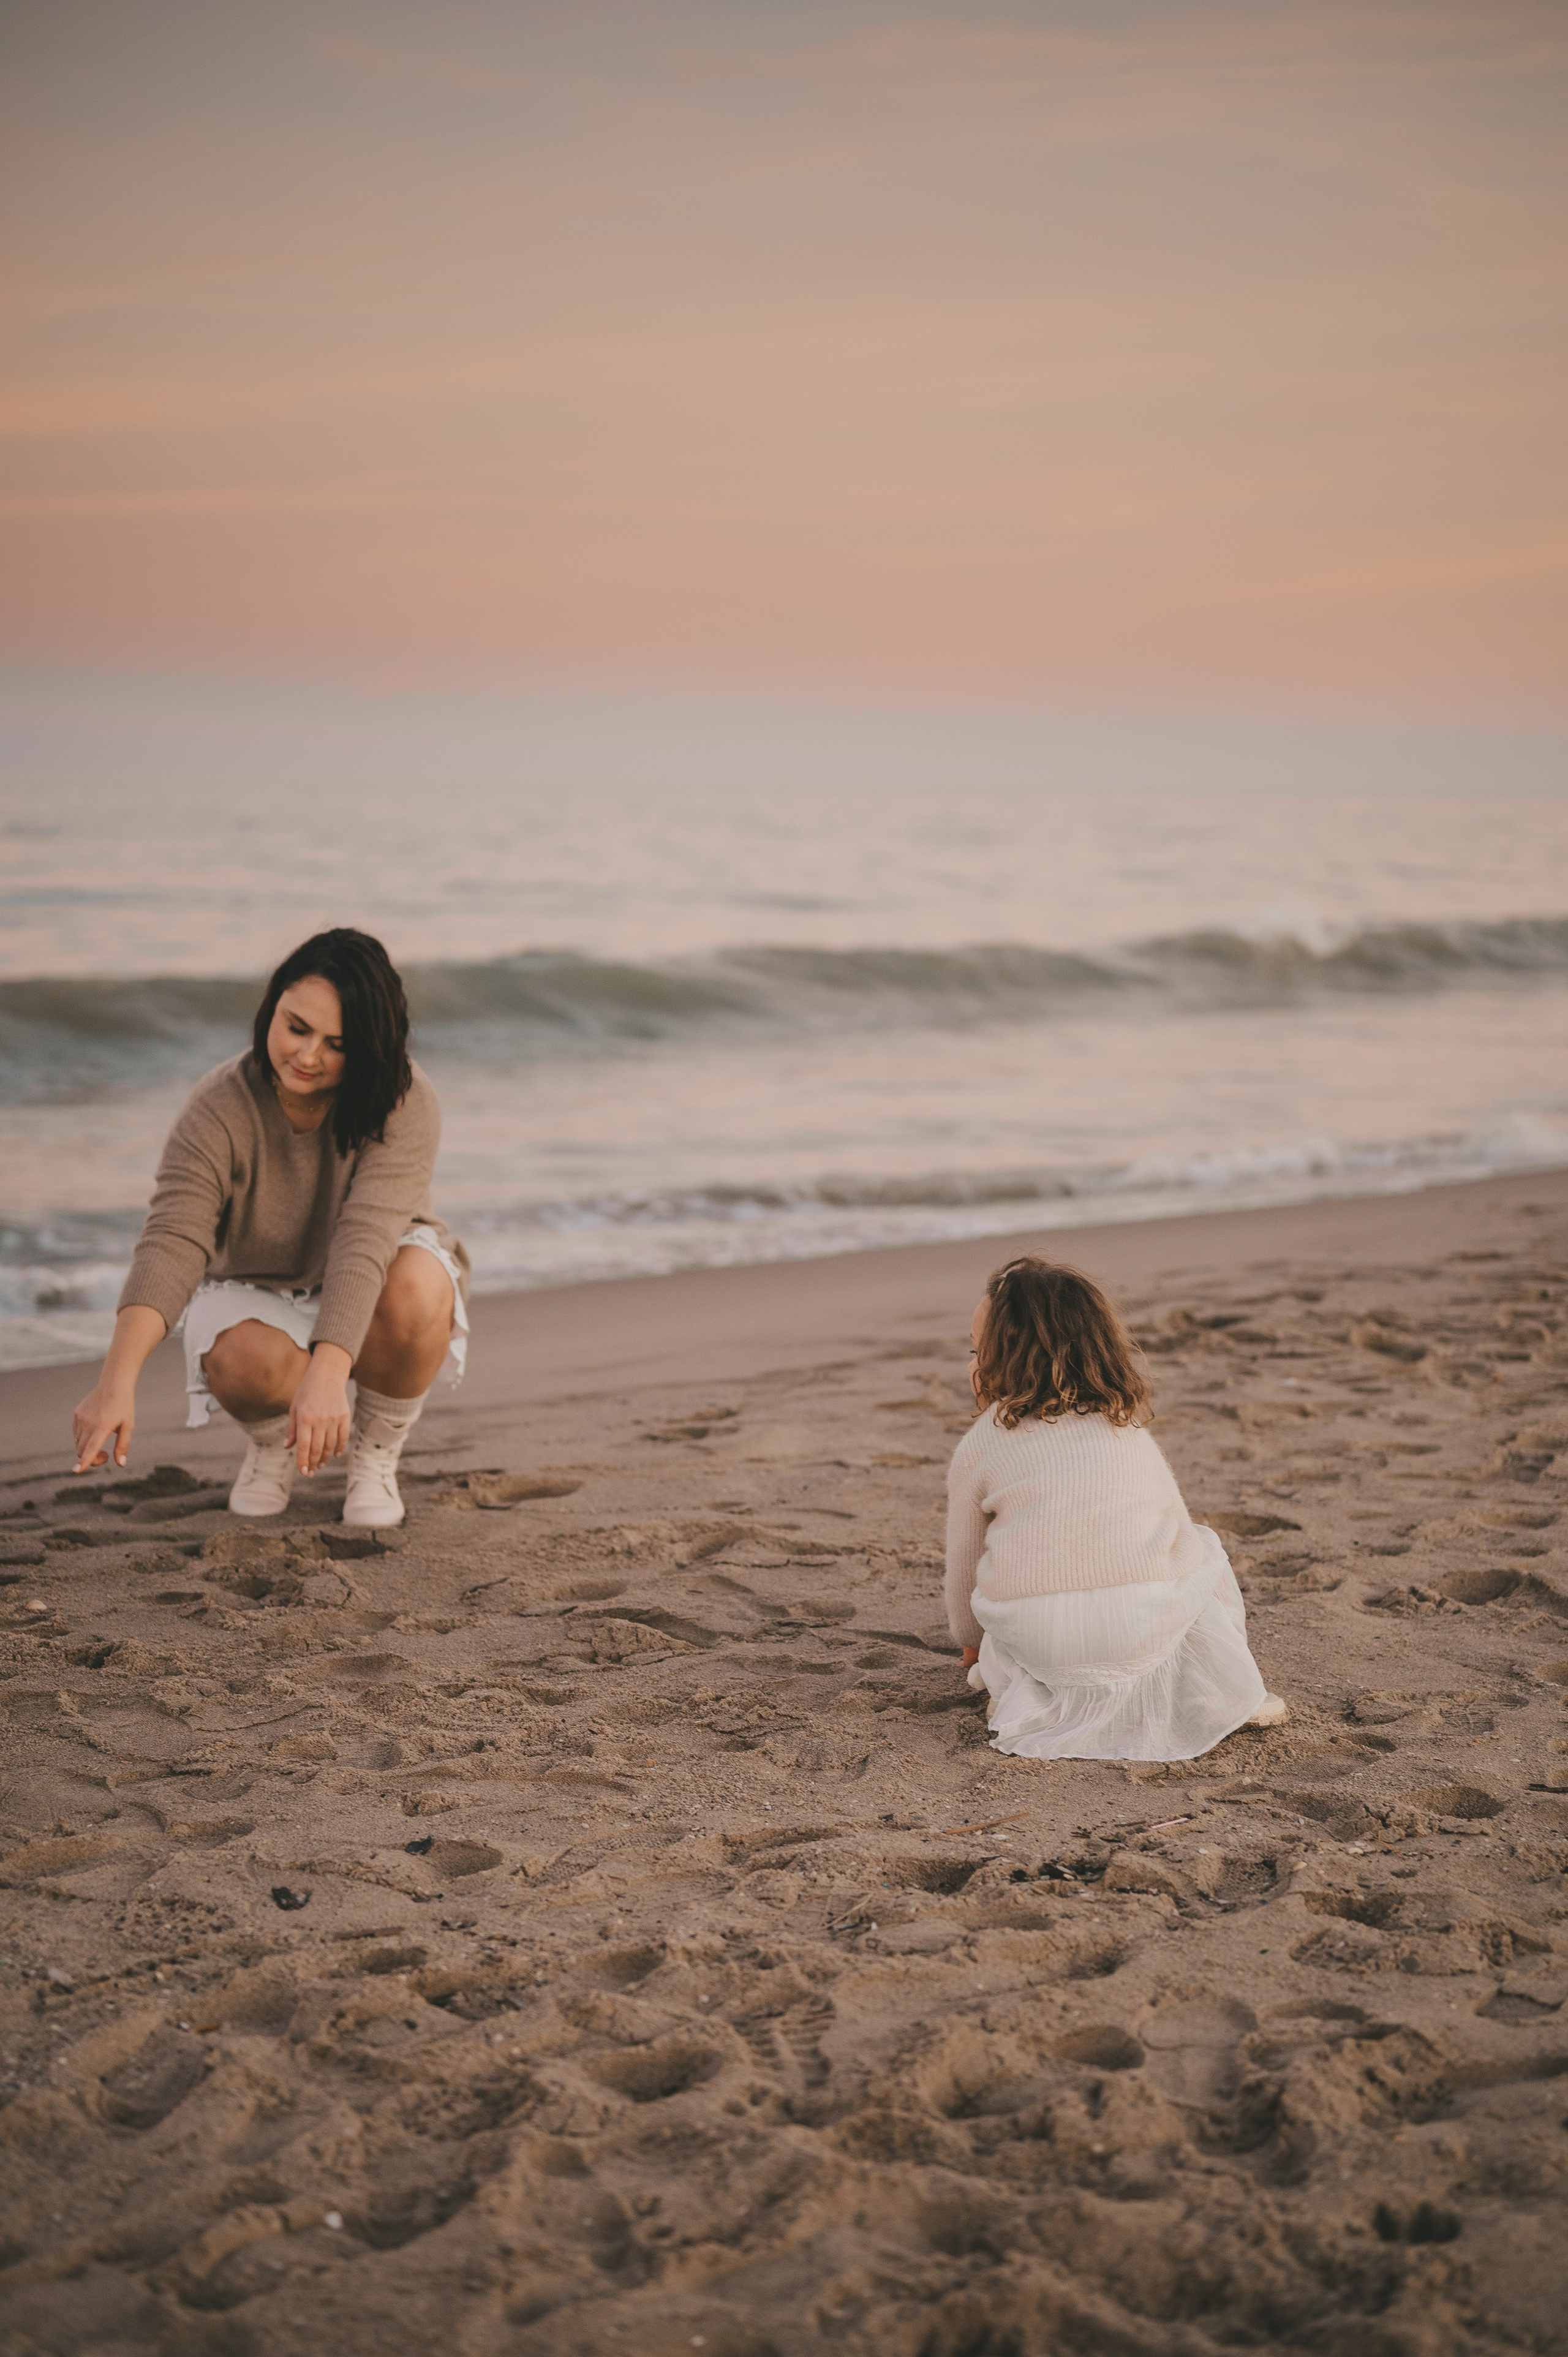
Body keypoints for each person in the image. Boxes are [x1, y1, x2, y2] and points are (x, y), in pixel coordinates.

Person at [70, 928, 469, 1530]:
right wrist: (114, 1381)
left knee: (418, 1283)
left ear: (369, 1046)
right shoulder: (218, 1105)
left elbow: (364, 1240)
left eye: (338, 1043)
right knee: (236, 1352)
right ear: (272, 1007)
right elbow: (174, 1241)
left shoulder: (404, 1099)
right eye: (296, 1027)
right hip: (261, 1285)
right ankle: (271, 1444)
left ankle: (375, 1453)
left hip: (373, 1277)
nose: (308, 1056)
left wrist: (329, 1375)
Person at [946, 1256, 1284, 1762]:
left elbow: (964, 1566)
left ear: (1005, 1362)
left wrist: (972, 1646)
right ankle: (1227, 1686)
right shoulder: (1123, 1426)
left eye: (979, 1352)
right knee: (1203, 1546)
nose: (971, 1364)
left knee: (1005, 1610)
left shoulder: (983, 1442)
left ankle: (1019, 1691)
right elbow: (1175, 1531)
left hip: (1043, 1641)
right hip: (1140, 1630)